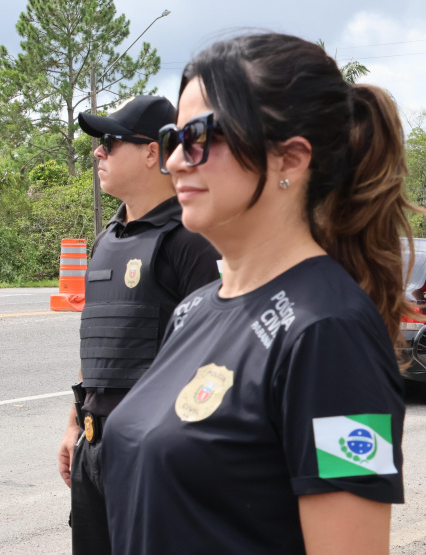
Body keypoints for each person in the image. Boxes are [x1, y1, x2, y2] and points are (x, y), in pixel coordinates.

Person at [100, 33, 414, 554]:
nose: (175, 160)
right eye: (172, 138)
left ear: (290, 159)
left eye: (200, 135)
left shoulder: (331, 333)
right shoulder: (193, 311)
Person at [57, 96, 220, 553]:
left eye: (110, 142)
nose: (98, 151)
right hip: (94, 448)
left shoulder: (191, 241)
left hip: (155, 452)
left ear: (152, 153)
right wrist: (75, 424)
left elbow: (214, 361)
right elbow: (100, 346)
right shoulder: (106, 240)